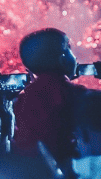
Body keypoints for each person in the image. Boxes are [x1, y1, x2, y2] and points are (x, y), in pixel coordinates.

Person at [12, 28, 85, 163]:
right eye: (69, 49)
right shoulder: (75, 93)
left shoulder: (24, 98)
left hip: (36, 169)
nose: (75, 56)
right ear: (63, 58)